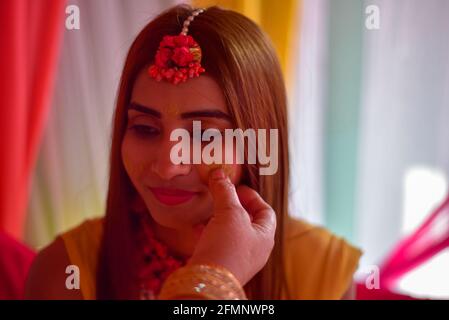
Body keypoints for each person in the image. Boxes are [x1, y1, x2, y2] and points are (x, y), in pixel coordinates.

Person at [25, 4, 362, 300]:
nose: (169, 166)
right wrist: (215, 277)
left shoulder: (323, 272)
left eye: (204, 137)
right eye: (145, 128)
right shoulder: (65, 272)